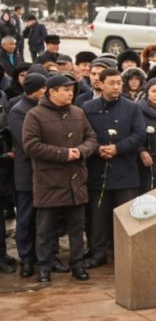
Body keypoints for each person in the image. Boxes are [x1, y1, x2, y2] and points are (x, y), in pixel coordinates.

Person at [22, 74, 98, 283]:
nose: (70, 93)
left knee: (77, 227)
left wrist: (81, 151)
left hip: (76, 180)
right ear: (52, 91)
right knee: (46, 229)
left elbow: (91, 138)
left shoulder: (78, 112)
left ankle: (78, 265)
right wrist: (63, 154)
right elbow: (31, 145)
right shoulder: (35, 115)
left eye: (72, 90)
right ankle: (44, 267)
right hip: (49, 181)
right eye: (65, 90)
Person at [81, 68, 147, 268]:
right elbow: (83, 135)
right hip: (98, 168)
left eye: (119, 82)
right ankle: (98, 252)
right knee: (98, 216)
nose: (116, 86)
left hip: (124, 169)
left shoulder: (131, 107)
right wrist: (98, 149)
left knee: (128, 215)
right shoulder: (88, 107)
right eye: (111, 83)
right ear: (100, 84)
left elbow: (139, 134)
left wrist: (118, 148)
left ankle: (129, 252)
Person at [7, 73, 46, 277]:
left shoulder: (41, 108)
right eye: (43, 87)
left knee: (42, 217)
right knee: (26, 216)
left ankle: (42, 257)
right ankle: (27, 258)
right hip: (26, 172)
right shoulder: (18, 111)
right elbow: (27, 143)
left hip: (43, 172)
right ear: (35, 90)